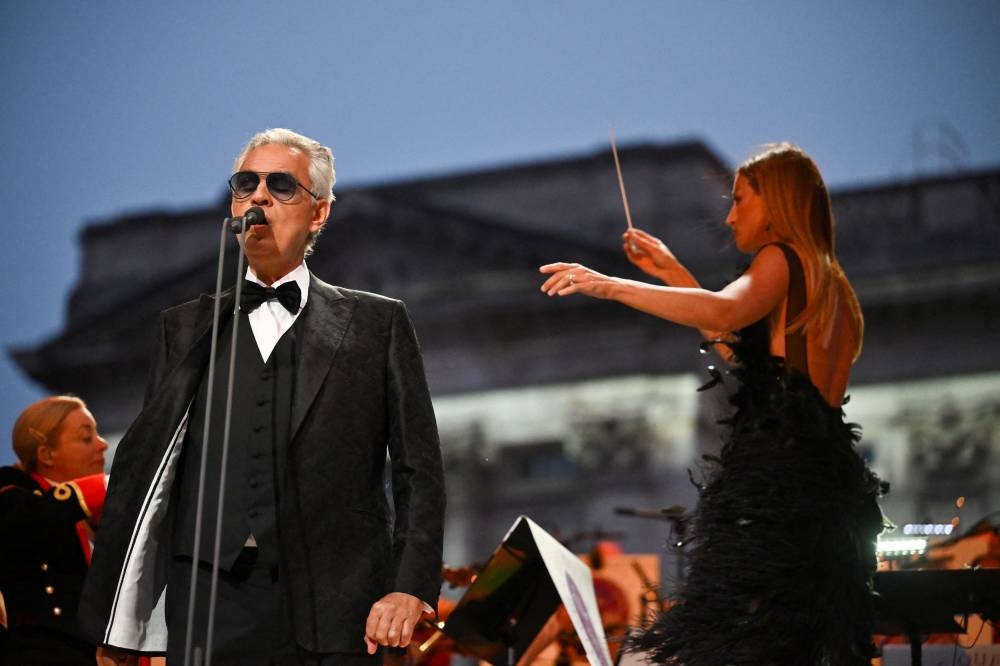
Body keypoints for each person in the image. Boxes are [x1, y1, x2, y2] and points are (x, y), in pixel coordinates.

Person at [80, 128, 446, 665]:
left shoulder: (377, 322)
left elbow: (420, 469)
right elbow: (152, 477)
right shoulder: (182, 329)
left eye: (281, 186)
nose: (258, 197)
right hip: (208, 609)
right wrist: (126, 621)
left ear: (319, 213)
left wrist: (408, 586)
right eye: (245, 184)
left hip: (339, 608)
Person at [540, 143, 887, 664]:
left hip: (775, 486)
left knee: (712, 640)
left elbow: (727, 313)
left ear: (777, 203)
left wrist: (609, 285)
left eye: (741, 200)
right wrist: (674, 273)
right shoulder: (832, 285)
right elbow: (746, 354)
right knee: (792, 641)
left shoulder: (781, 257)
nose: (730, 216)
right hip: (827, 491)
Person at [0, 395, 109, 665]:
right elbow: (31, 517)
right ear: (47, 454)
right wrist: (105, 487)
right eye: (86, 438)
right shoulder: (11, 490)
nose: (103, 444)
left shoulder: (96, 518)